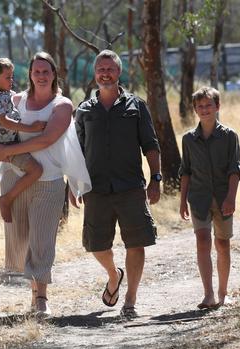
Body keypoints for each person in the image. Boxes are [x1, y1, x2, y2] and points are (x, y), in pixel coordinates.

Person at [0, 52, 91, 316]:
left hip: (49, 180)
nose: (41, 76)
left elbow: (46, 139)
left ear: (54, 74)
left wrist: (9, 150)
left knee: (42, 239)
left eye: (46, 71)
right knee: (22, 237)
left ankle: (42, 298)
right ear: (31, 75)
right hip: (15, 175)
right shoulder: (17, 100)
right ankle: (33, 293)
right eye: (37, 71)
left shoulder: (63, 105)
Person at [74, 50, 161, 319]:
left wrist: (156, 178)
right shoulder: (84, 110)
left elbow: (150, 145)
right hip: (96, 189)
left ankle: (130, 301)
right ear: (95, 73)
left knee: (136, 242)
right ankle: (114, 275)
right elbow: (75, 152)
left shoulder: (136, 106)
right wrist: (73, 184)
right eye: (101, 69)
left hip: (130, 187)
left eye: (110, 69)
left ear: (119, 72)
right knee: (95, 245)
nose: (105, 73)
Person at [179, 86, 240, 309]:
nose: (204, 110)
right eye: (200, 106)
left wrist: (231, 199)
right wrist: (182, 201)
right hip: (198, 198)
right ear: (195, 109)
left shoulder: (229, 136)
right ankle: (208, 295)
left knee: (222, 243)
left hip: (223, 197)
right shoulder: (188, 139)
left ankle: (223, 293)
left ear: (217, 106)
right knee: (203, 240)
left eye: (208, 105)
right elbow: (185, 171)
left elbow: (235, 170)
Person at [0, 57, 47, 223]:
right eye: (8, 77)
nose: (12, 80)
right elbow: (5, 122)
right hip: (6, 146)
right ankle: (7, 199)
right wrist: (32, 128)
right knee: (36, 170)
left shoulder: (7, 93)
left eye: (12, 76)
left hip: (14, 141)